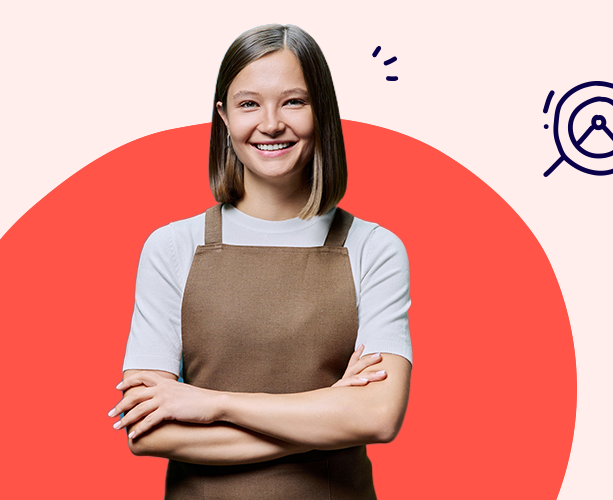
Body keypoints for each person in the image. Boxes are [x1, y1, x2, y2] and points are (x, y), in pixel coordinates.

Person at [109, 24, 412, 499]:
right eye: (249, 103)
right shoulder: (172, 247)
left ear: (322, 114)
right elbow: (149, 431)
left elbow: (377, 416)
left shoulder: (375, 248)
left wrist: (212, 404)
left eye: (294, 101)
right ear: (224, 117)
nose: (271, 123)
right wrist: (328, 413)